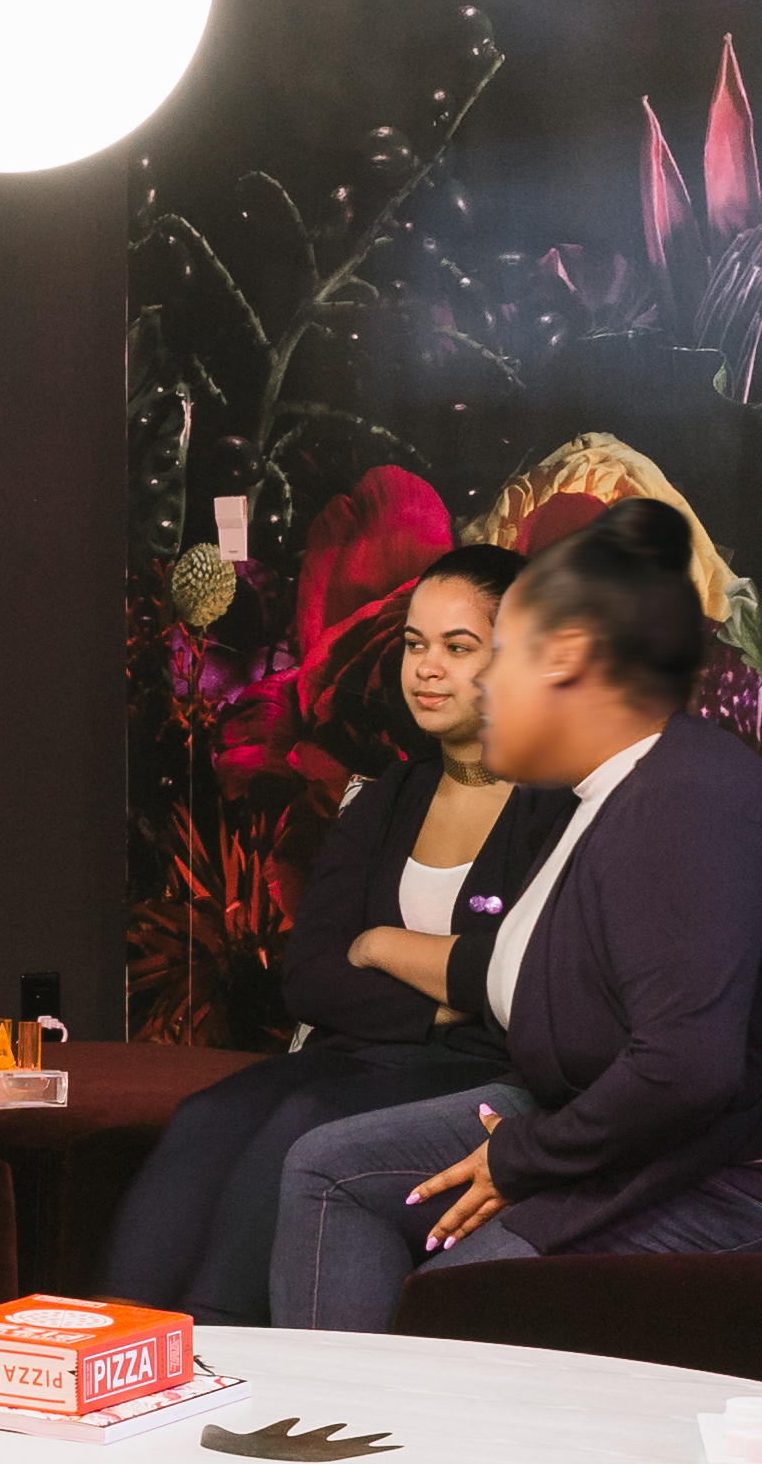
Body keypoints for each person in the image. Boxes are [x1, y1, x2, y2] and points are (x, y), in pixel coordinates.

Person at [269, 498, 762, 1331]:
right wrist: (378, 942)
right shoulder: (596, 797)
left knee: (464, 1291)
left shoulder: (683, 804)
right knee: (330, 1170)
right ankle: (337, 1434)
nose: (481, 685)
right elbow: (509, 971)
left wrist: (525, 1159)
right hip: (630, 1134)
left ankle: (403, 1440)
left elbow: (689, 1070)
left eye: (499, 660)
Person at [98, 546, 567, 1329]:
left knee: (302, 1119)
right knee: (207, 1114)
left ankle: (215, 1337)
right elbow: (310, 975)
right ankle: (108, 1333)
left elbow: (526, 981)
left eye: (458, 647)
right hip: (362, 1055)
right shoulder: (386, 801)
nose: (427, 668)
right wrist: (442, 998)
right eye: (416, 645)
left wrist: (381, 944)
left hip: (480, 1075)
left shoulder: (555, 808)